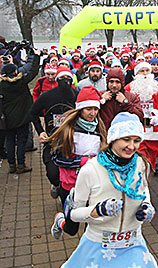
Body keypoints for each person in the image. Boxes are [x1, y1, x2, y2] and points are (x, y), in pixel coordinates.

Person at [58, 112, 158, 268]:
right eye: (126, 139)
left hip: (132, 245)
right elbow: (74, 213)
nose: (131, 146)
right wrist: (95, 211)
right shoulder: (91, 169)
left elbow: (145, 194)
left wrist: (147, 209)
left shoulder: (141, 164)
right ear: (113, 139)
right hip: (99, 247)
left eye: (136, 140)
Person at [48, 86, 107, 239]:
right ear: (80, 109)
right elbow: (57, 159)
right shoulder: (68, 130)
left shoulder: (99, 128)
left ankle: (87, 254)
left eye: (95, 109)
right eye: (88, 109)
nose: (92, 113)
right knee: (71, 229)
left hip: (92, 184)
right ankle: (60, 220)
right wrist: (83, 161)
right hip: (71, 185)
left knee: (91, 226)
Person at [30, 67, 79, 198]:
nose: (65, 81)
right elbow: (33, 113)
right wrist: (40, 131)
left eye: (68, 78)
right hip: (52, 139)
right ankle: (56, 184)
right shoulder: (47, 96)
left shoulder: (76, 95)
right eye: (62, 78)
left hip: (73, 139)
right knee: (52, 171)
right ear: (57, 79)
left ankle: (68, 194)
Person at [125, 61, 158, 173]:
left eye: (147, 71)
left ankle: (145, 183)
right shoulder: (129, 88)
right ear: (137, 74)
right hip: (136, 130)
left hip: (154, 130)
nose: (145, 74)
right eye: (142, 71)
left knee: (151, 161)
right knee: (138, 162)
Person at [0, 48, 40, 174]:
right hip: (22, 117)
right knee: (21, 142)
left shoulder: (1, 85)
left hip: (7, 119)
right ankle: (21, 165)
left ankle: (12, 165)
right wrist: (36, 56)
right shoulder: (21, 82)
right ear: (15, 71)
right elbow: (33, 71)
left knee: (10, 141)